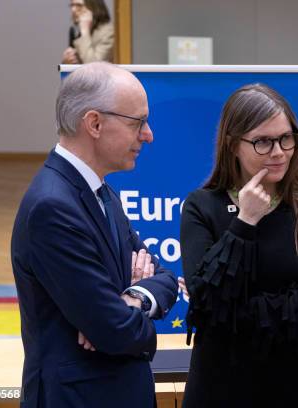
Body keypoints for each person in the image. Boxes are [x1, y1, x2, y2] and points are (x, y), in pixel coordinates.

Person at [11, 62, 178, 408]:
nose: (148, 135)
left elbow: (165, 278)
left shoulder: (100, 191)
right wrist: (118, 318)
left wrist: (133, 298)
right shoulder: (52, 207)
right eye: (138, 122)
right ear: (95, 123)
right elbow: (116, 331)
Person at [180, 83, 298, 407]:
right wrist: (245, 221)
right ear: (232, 145)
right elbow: (206, 302)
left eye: (286, 138)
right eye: (263, 142)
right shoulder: (201, 206)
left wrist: (235, 312)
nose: (279, 151)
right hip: (221, 385)